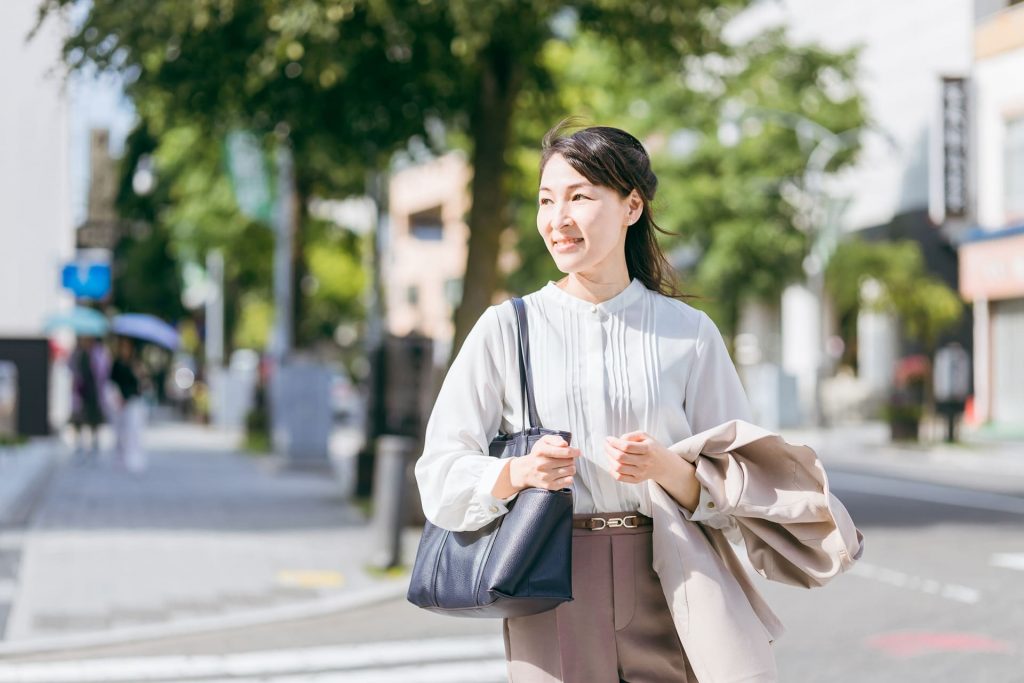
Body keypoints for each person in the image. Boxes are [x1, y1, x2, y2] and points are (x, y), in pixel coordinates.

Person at [415, 123, 863, 683]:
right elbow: (439, 471)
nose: (558, 219)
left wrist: (668, 469)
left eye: (580, 196)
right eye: (547, 200)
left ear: (631, 206)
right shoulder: (507, 328)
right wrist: (517, 472)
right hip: (550, 576)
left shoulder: (689, 333)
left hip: (672, 575)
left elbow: (739, 484)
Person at [69, 335, 110, 461]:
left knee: (94, 418)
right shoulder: (77, 353)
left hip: (93, 391)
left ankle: (94, 443)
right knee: (78, 418)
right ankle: (79, 444)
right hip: (80, 391)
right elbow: (71, 368)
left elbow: (103, 371)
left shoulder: (98, 352)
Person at [110, 336, 147, 473]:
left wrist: (140, 374)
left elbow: (142, 384)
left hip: (133, 401)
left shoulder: (136, 364)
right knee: (120, 431)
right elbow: (111, 382)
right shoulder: (117, 364)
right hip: (119, 402)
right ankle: (120, 457)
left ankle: (134, 458)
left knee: (134, 430)